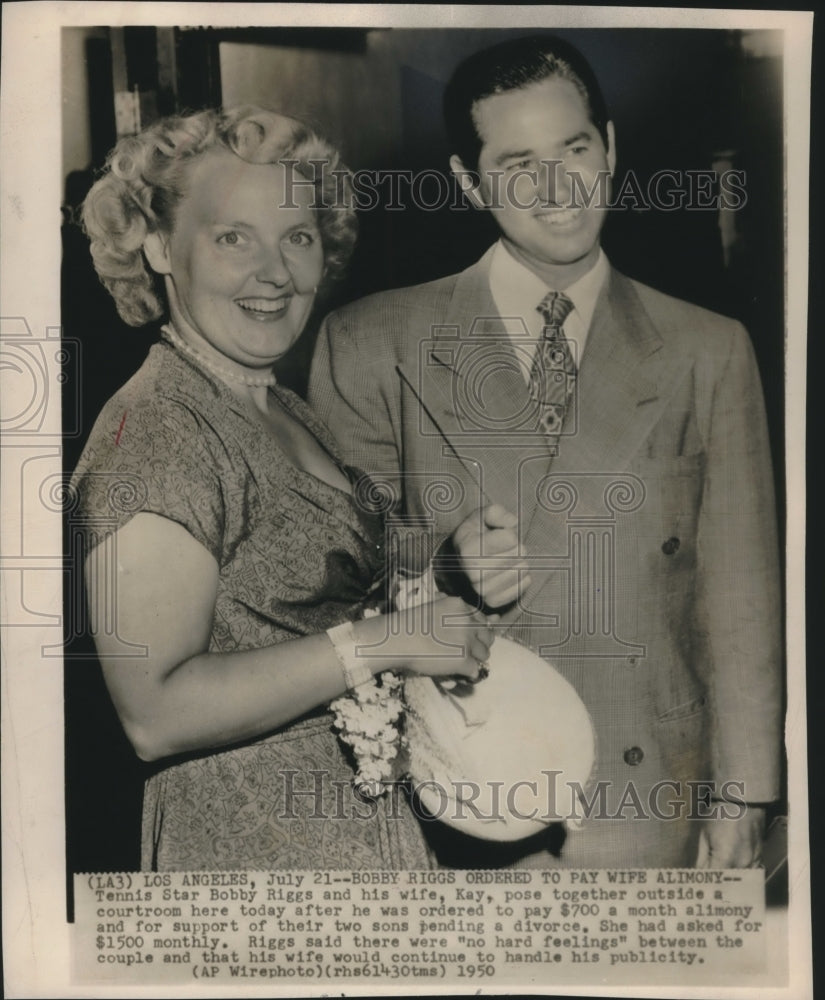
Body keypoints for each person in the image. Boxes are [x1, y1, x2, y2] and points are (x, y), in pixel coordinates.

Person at [309, 36, 782, 868]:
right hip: (463, 790)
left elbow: (739, 600)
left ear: (610, 149)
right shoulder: (369, 343)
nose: (558, 188)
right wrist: (444, 570)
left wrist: (743, 796)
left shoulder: (708, 349)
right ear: (467, 180)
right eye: (518, 163)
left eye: (575, 149)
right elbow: (327, 589)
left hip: (651, 799)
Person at [72, 106, 514, 871]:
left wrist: (443, 570)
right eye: (232, 237)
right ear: (158, 246)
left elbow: (298, 602)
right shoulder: (155, 431)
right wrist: (385, 642)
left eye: (297, 237)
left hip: (356, 833)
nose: (274, 273)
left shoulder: (276, 402)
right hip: (247, 850)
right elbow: (155, 710)